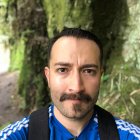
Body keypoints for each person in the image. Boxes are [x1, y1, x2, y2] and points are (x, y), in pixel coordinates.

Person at [0, 27, 140, 140]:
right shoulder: (17, 136)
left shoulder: (130, 136)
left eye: (88, 71)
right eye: (62, 70)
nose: (76, 87)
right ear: (48, 77)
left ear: (100, 76)